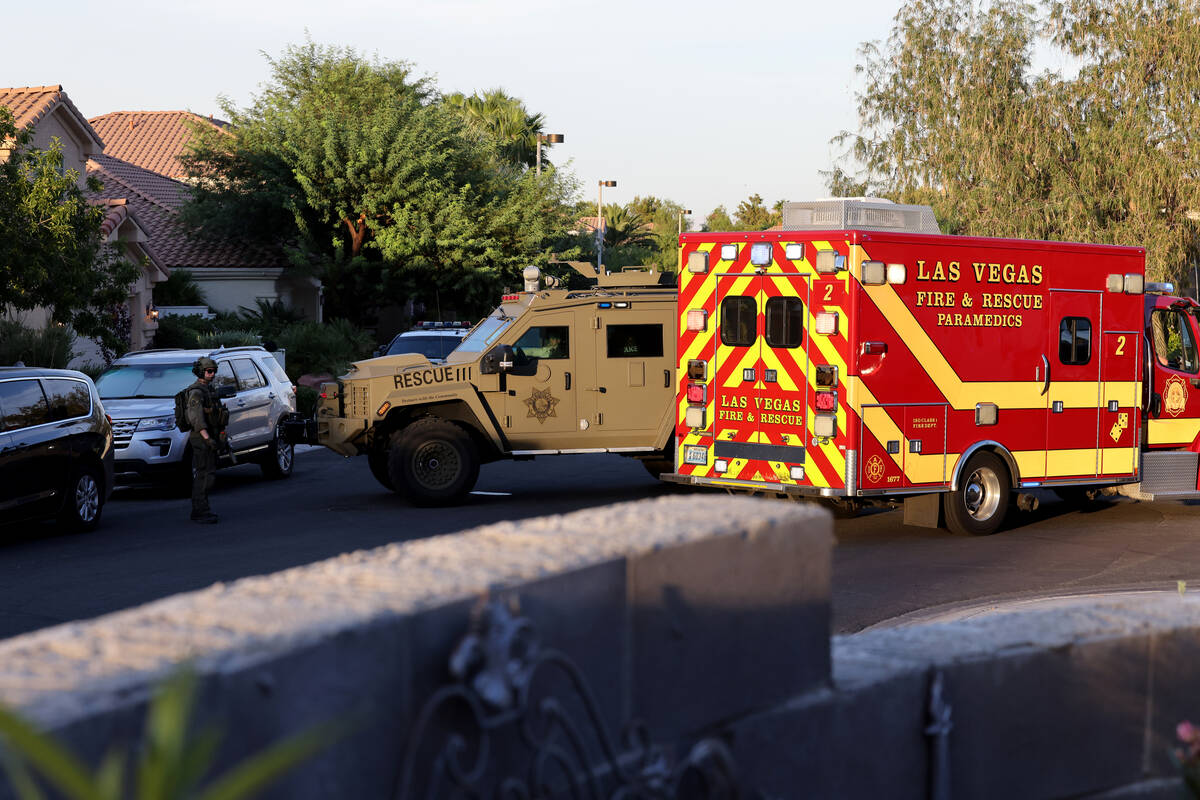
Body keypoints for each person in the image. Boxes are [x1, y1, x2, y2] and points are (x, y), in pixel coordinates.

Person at [185, 357, 227, 524]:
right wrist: (207, 438)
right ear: (201, 372)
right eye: (209, 371)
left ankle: (203, 508)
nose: (212, 374)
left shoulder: (208, 390)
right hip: (201, 438)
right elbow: (196, 418)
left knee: (208, 473)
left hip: (210, 435)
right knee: (203, 474)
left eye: (214, 371)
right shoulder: (196, 392)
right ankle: (200, 511)